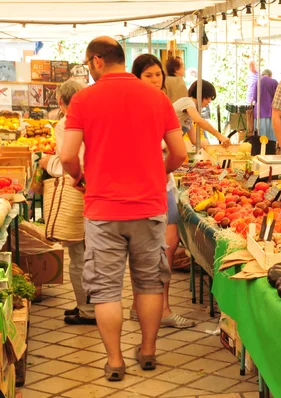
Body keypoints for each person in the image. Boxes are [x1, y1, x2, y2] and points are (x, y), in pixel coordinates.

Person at [61, 37, 187, 381]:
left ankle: (115, 361)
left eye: (88, 64)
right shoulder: (156, 98)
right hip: (149, 206)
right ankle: (148, 352)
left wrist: (80, 177)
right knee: (148, 284)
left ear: (97, 62)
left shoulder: (84, 99)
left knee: (106, 289)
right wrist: (155, 173)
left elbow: (68, 156)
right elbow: (179, 154)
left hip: (103, 208)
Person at [130, 54, 195, 329]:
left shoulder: (142, 104)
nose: (156, 80)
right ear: (136, 78)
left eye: (158, 74)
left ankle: (140, 307)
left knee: (150, 251)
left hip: (151, 185)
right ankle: (163, 310)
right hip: (155, 185)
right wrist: (161, 167)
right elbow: (178, 152)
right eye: (149, 75)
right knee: (160, 252)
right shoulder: (151, 106)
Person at [38, 78, 94, 326]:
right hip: (99, 194)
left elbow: (70, 163)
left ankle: (87, 309)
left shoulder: (65, 124)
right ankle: (87, 304)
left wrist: (47, 163)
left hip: (79, 192)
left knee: (79, 254)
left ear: (61, 102)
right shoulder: (95, 118)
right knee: (89, 252)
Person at [172, 80, 230, 147]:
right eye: (208, 97)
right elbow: (199, 121)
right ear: (202, 94)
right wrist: (220, 136)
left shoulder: (188, 117)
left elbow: (195, 141)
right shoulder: (188, 102)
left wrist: (212, 148)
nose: (209, 101)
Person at [251, 69, 279, 142]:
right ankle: (271, 152)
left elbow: (254, 98)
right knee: (272, 138)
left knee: (261, 139)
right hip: (271, 113)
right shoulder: (274, 82)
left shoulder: (257, 82)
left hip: (259, 113)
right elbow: (278, 98)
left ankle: (261, 152)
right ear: (270, 75)